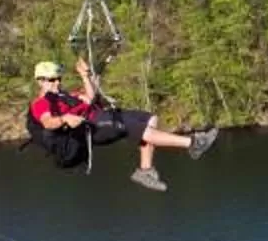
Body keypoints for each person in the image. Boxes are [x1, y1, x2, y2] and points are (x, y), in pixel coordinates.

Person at [25, 58, 217, 191]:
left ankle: (145, 171)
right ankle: (193, 143)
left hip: (100, 116)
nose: (57, 83)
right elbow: (47, 122)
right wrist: (65, 119)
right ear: (40, 81)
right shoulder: (41, 103)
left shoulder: (64, 95)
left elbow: (90, 97)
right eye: (52, 80)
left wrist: (84, 76)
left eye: (59, 79)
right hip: (92, 128)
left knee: (149, 119)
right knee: (133, 127)